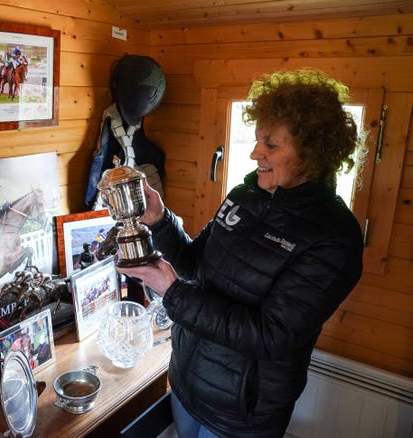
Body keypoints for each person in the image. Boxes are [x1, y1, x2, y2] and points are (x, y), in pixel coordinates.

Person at [116, 68, 365, 437]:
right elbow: (193, 265)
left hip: (243, 412)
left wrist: (173, 292)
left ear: (313, 154)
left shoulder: (333, 236)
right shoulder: (245, 195)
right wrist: (160, 220)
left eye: (271, 145)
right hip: (186, 382)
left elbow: (270, 336)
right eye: (256, 140)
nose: (254, 153)